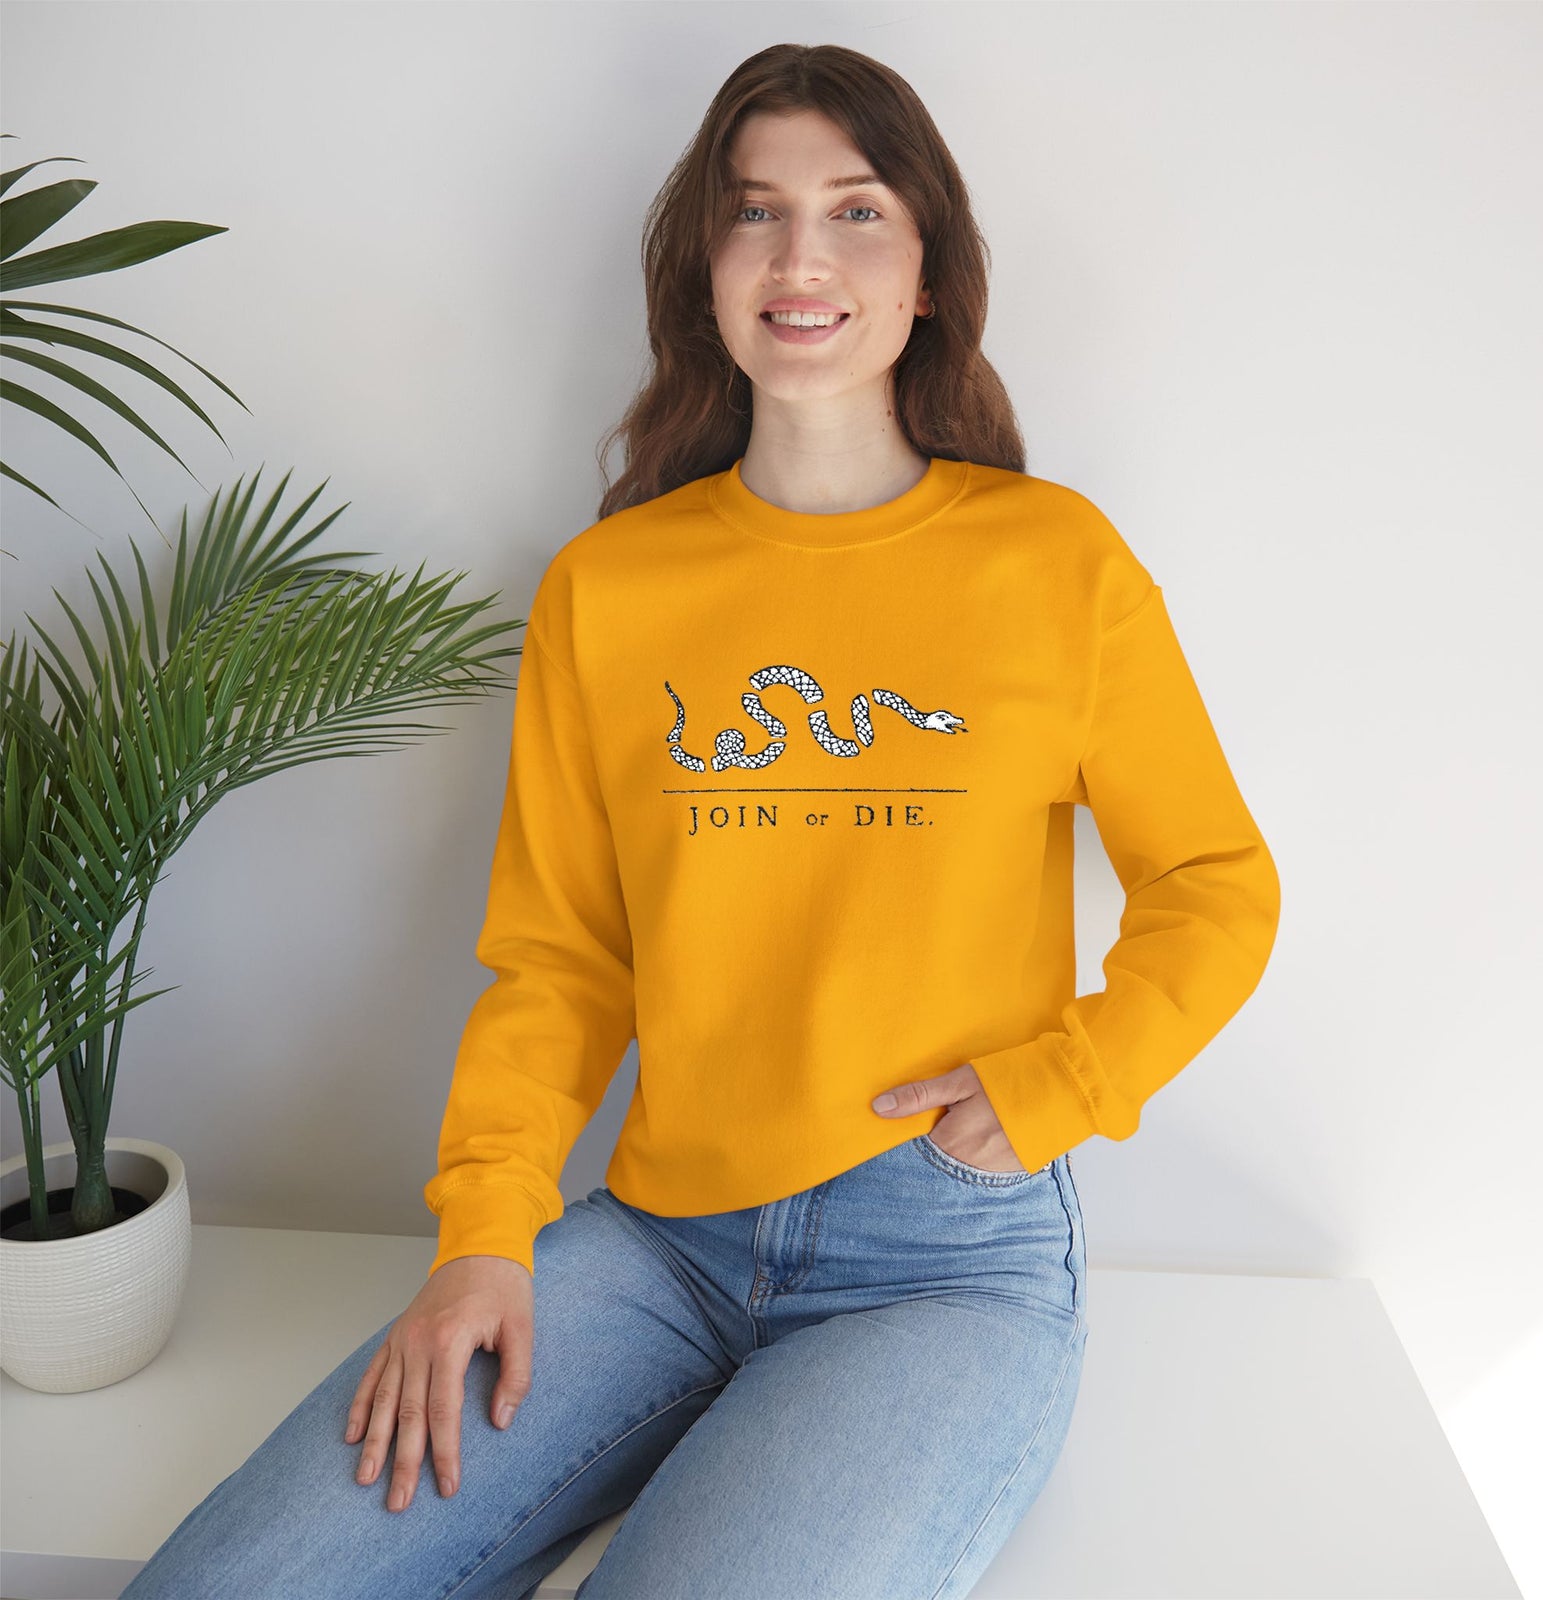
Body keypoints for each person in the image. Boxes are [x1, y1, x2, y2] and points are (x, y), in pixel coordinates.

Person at [122, 41, 1280, 1600]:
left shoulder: (1053, 565)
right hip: (660, 1239)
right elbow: (561, 961)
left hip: (940, 1261)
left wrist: (1066, 1079)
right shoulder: (612, 588)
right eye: (756, 214)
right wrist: (484, 1232)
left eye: (857, 212)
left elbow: (1216, 884)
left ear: (928, 270)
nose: (803, 257)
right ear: (707, 268)